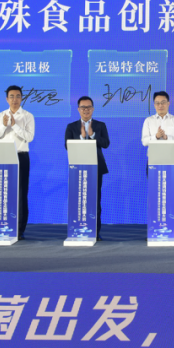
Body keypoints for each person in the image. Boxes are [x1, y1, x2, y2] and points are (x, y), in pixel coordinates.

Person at [0, 85, 35, 239]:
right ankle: (3, 224)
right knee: (3, 191)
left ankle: (19, 229)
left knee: (21, 193)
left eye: (17, 96)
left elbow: (29, 137)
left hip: (21, 156)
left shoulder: (28, 116)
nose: (14, 99)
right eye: (11, 96)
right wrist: (4, 126)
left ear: (21, 98)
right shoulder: (0, 116)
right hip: (3, 156)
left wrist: (15, 125)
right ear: (6, 99)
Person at [65, 96, 110, 240]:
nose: (86, 110)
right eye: (83, 107)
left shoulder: (100, 125)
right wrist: (81, 138)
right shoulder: (71, 127)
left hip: (96, 168)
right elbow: (67, 145)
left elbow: (106, 143)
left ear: (93, 109)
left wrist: (92, 135)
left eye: (89, 107)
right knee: (78, 199)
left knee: (95, 200)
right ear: (78, 109)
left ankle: (95, 231)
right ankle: (77, 228)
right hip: (77, 168)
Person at [142, 91, 174, 240]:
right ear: (154, 104)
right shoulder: (148, 121)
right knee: (155, 196)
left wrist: (167, 137)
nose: (160, 105)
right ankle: (154, 230)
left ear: (168, 103)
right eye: (157, 103)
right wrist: (156, 136)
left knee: (171, 196)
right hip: (153, 161)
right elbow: (144, 141)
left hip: (171, 161)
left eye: (163, 102)